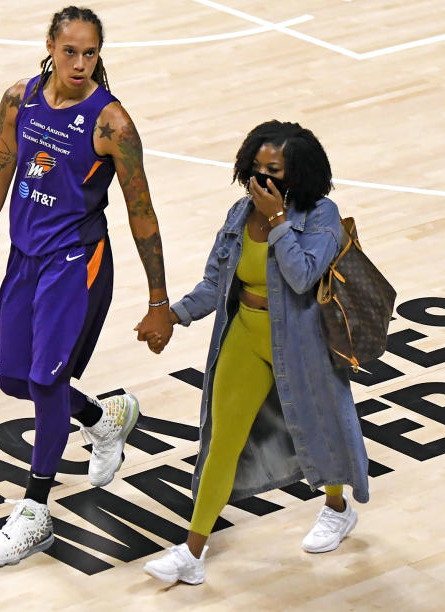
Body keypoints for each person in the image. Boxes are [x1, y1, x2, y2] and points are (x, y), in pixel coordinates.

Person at [0, 6, 173, 567]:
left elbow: (143, 212)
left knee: (47, 382)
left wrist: (158, 299)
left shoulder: (111, 124)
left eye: (91, 53)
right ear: (49, 45)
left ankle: (35, 512)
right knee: (16, 381)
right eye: (70, 51)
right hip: (26, 259)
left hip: (77, 263)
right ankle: (103, 418)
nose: (80, 63)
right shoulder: (20, 101)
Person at [141, 121, 370, 585]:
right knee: (220, 441)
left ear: (299, 175)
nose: (262, 181)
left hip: (303, 345)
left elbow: (303, 275)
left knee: (318, 428)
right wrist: (174, 316)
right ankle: (192, 552)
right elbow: (215, 283)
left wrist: (279, 223)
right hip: (245, 334)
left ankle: (337, 507)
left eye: (275, 171)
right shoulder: (238, 214)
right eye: (256, 169)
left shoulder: (321, 216)